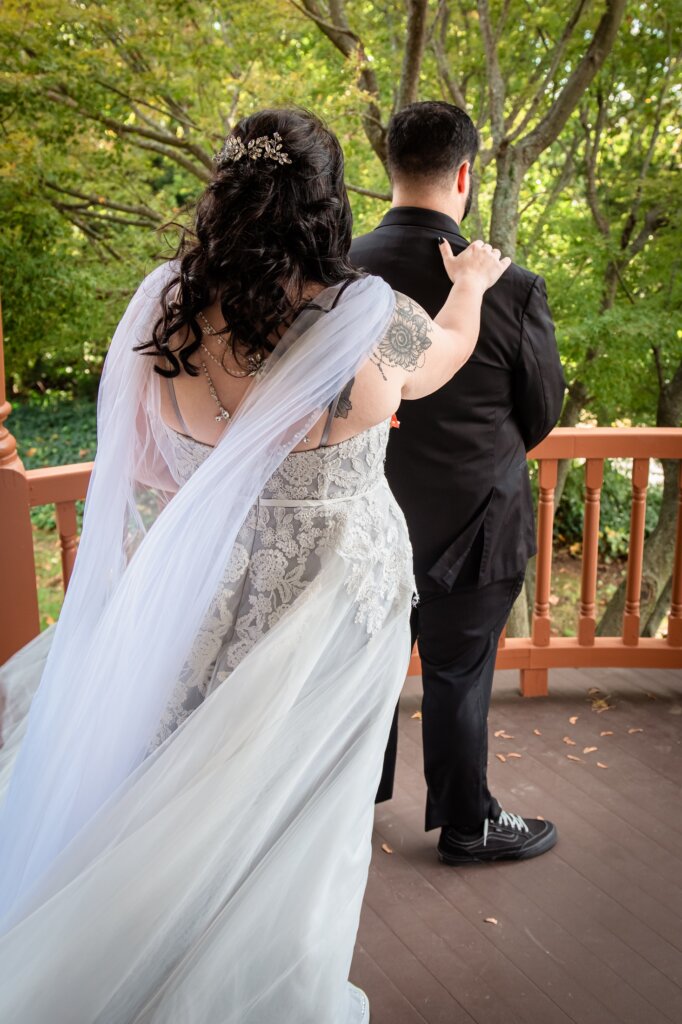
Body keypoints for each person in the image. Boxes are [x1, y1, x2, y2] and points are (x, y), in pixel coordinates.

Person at [0, 108, 509, 1022]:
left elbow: (150, 465)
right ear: (328, 203)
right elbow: (445, 360)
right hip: (337, 606)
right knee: (303, 813)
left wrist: (225, 460)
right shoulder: (375, 321)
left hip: (203, 589)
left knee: (183, 784)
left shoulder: (166, 312)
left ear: (225, 195)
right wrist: (469, 281)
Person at [351, 100, 565, 866]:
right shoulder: (511, 285)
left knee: (362, 669)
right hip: (476, 519)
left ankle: (347, 808)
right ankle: (468, 825)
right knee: (458, 675)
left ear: (391, 171)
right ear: (465, 175)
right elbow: (541, 411)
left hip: (366, 516)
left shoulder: (342, 273)